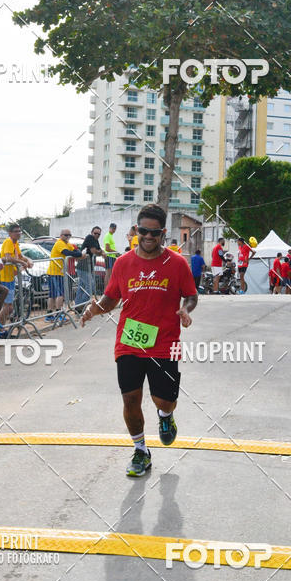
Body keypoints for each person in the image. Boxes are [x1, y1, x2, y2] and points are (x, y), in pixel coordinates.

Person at [81, 204, 198, 477]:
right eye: (143, 231)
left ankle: (166, 418)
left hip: (164, 343)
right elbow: (111, 298)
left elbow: (191, 295)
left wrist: (186, 310)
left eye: (154, 233)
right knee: (130, 399)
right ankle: (141, 451)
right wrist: (96, 308)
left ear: (162, 234)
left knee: (163, 401)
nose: (148, 237)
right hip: (129, 342)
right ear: (136, 230)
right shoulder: (123, 264)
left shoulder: (177, 263)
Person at [0, 223, 32, 326]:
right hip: (4, 277)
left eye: (19, 231)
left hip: (10, 278)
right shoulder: (8, 242)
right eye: (16, 231)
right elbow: (8, 258)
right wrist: (22, 262)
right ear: (10, 233)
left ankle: (0, 327)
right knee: (8, 307)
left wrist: (28, 260)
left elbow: (20, 256)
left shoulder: (15, 243)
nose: (18, 233)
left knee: (9, 307)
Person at [46, 229, 82, 322]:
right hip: (55, 272)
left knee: (53, 294)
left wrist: (76, 253)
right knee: (59, 294)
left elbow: (77, 251)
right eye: (66, 235)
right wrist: (76, 253)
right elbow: (67, 253)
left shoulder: (67, 243)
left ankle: (50, 315)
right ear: (61, 235)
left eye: (69, 235)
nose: (68, 237)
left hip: (57, 272)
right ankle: (57, 314)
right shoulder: (60, 243)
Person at [76, 226, 102, 311]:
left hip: (87, 267)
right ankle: (81, 305)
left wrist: (100, 252)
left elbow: (99, 250)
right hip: (83, 267)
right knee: (91, 285)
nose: (97, 235)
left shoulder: (95, 240)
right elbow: (94, 251)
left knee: (82, 287)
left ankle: (77, 306)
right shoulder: (90, 237)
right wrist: (101, 252)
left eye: (99, 234)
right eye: (95, 233)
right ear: (91, 232)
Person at [103, 222, 119, 288]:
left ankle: (109, 288)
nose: (113, 230)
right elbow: (107, 248)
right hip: (109, 256)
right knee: (108, 274)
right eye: (112, 228)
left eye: (114, 229)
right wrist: (116, 252)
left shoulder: (110, 236)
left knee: (111, 274)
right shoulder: (107, 235)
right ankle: (106, 289)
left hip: (112, 256)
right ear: (109, 228)